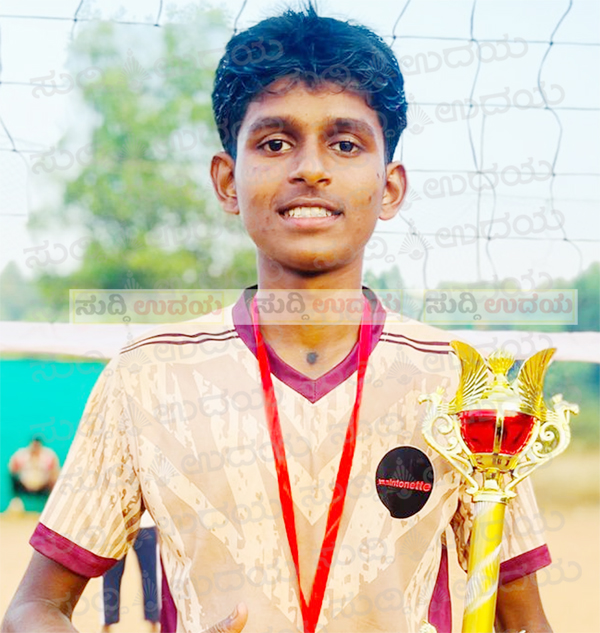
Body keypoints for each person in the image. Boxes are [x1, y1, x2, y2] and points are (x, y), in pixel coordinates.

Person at [2, 4, 553, 633]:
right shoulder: (146, 377)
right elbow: (34, 608)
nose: (310, 167)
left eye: (345, 144)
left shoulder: (465, 384)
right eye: (275, 143)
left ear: (390, 186)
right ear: (227, 181)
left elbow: (523, 619)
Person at [100, 512, 160, 633]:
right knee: (111, 576)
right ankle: (107, 624)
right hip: (117, 526)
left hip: (145, 524)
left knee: (151, 576)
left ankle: (154, 623)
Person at [7, 436, 60, 507]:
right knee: (13, 478)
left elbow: (55, 471)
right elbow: (12, 469)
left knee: (54, 480)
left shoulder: (49, 456)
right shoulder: (21, 455)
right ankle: (16, 503)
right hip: (24, 485)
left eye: (37, 446)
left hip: (43, 485)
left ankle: (51, 504)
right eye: (34, 446)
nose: (35, 448)